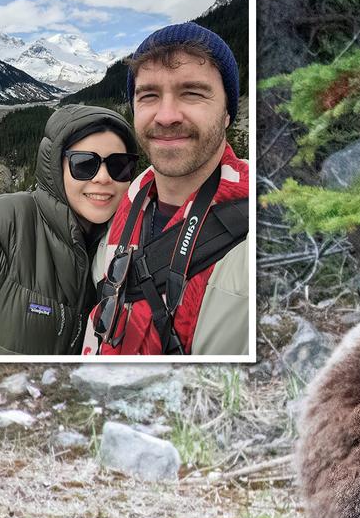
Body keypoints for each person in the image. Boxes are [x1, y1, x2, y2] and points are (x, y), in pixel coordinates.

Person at [83, 22, 249, 356]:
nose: (167, 115)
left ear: (228, 112)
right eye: (149, 96)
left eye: (192, 93)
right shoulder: (121, 207)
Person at [0, 105, 139, 355]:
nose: (104, 178)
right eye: (84, 163)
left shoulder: (128, 246)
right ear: (55, 166)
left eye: (119, 166)